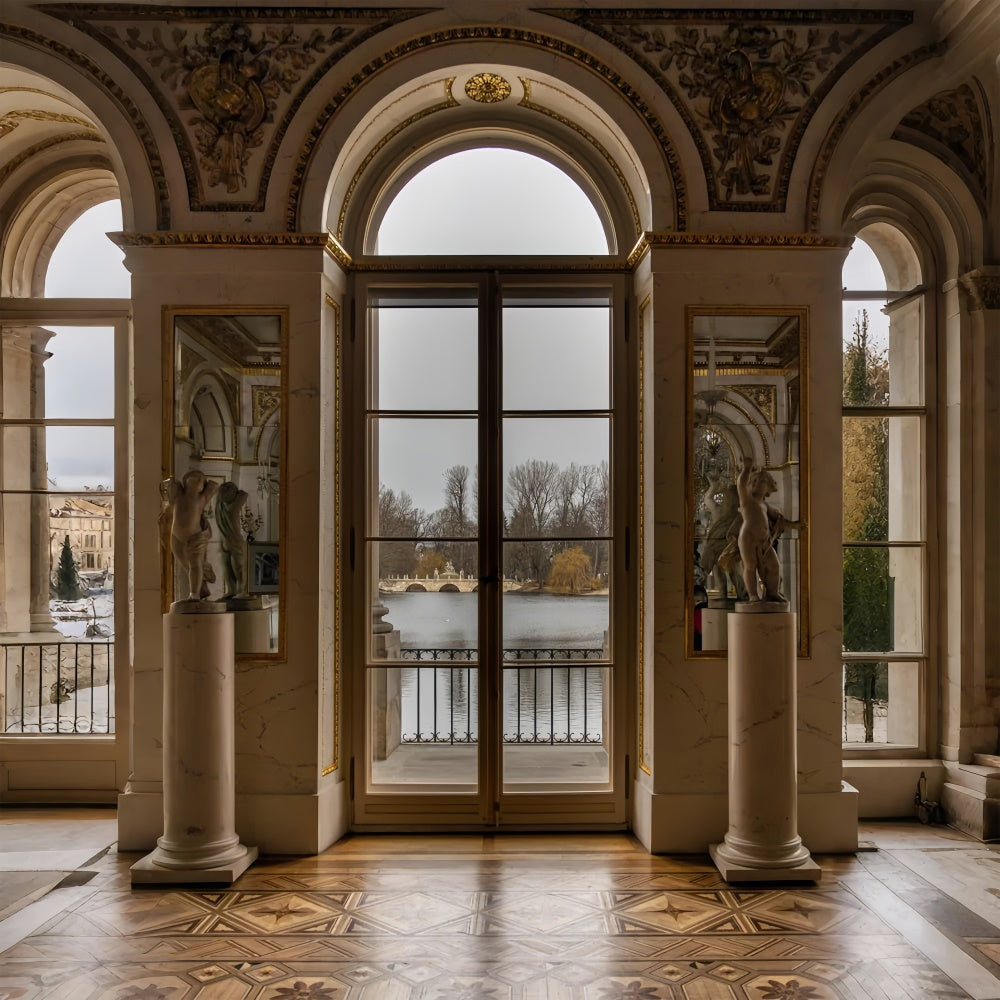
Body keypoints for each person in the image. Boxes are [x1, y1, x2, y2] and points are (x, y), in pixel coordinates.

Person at [164, 470, 219, 602]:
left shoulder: (202, 498)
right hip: (176, 537)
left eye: (201, 480)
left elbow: (213, 485)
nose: (199, 482)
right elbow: (170, 485)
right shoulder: (178, 496)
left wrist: (207, 483)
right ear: (185, 482)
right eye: (195, 480)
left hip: (196, 537)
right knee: (186, 565)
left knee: (195, 565)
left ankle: (194, 594)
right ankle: (202, 589)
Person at [736, 457, 786, 603]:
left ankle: (772, 593)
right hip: (748, 537)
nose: (757, 484)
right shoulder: (747, 500)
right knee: (750, 565)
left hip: (765, 540)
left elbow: (779, 519)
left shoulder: (764, 505)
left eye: (762, 481)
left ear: (769, 487)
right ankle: (753, 595)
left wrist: (796, 525)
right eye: (754, 481)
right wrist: (746, 469)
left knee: (774, 566)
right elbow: (741, 484)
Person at [215, 481, 248, 599]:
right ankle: (232, 590)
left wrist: (235, 491)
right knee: (226, 569)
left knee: (239, 568)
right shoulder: (219, 505)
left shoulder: (234, 507)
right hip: (223, 542)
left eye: (228, 492)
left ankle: (244, 591)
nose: (224, 495)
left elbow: (244, 494)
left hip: (235, 542)